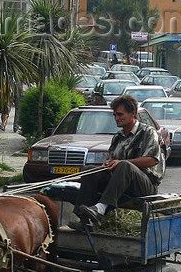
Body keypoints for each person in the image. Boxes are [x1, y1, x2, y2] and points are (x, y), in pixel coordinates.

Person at [70, 94, 163, 230]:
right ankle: (84, 219)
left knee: (125, 165)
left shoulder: (148, 132)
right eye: (114, 115)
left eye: (120, 114)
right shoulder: (117, 137)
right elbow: (112, 160)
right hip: (120, 182)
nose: (117, 118)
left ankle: (100, 209)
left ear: (133, 113)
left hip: (145, 185)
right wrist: (107, 165)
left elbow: (152, 160)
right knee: (90, 170)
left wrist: (121, 162)